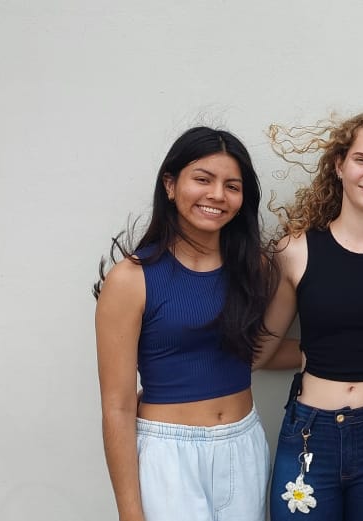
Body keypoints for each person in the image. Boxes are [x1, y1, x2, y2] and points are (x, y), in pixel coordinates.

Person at [253, 111, 363, 521]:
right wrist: (309, 353)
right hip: (308, 432)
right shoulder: (295, 250)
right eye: (361, 160)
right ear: (339, 165)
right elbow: (260, 353)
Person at [93, 127, 277, 521]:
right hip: (168, 455)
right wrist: (130, 512)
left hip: (243, 445)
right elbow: (118, 407)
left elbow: (260, 349)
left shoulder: (254, 269)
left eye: (232, 186)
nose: (217, 195)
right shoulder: (130, 280)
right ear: (171, 185)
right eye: (203, 179)